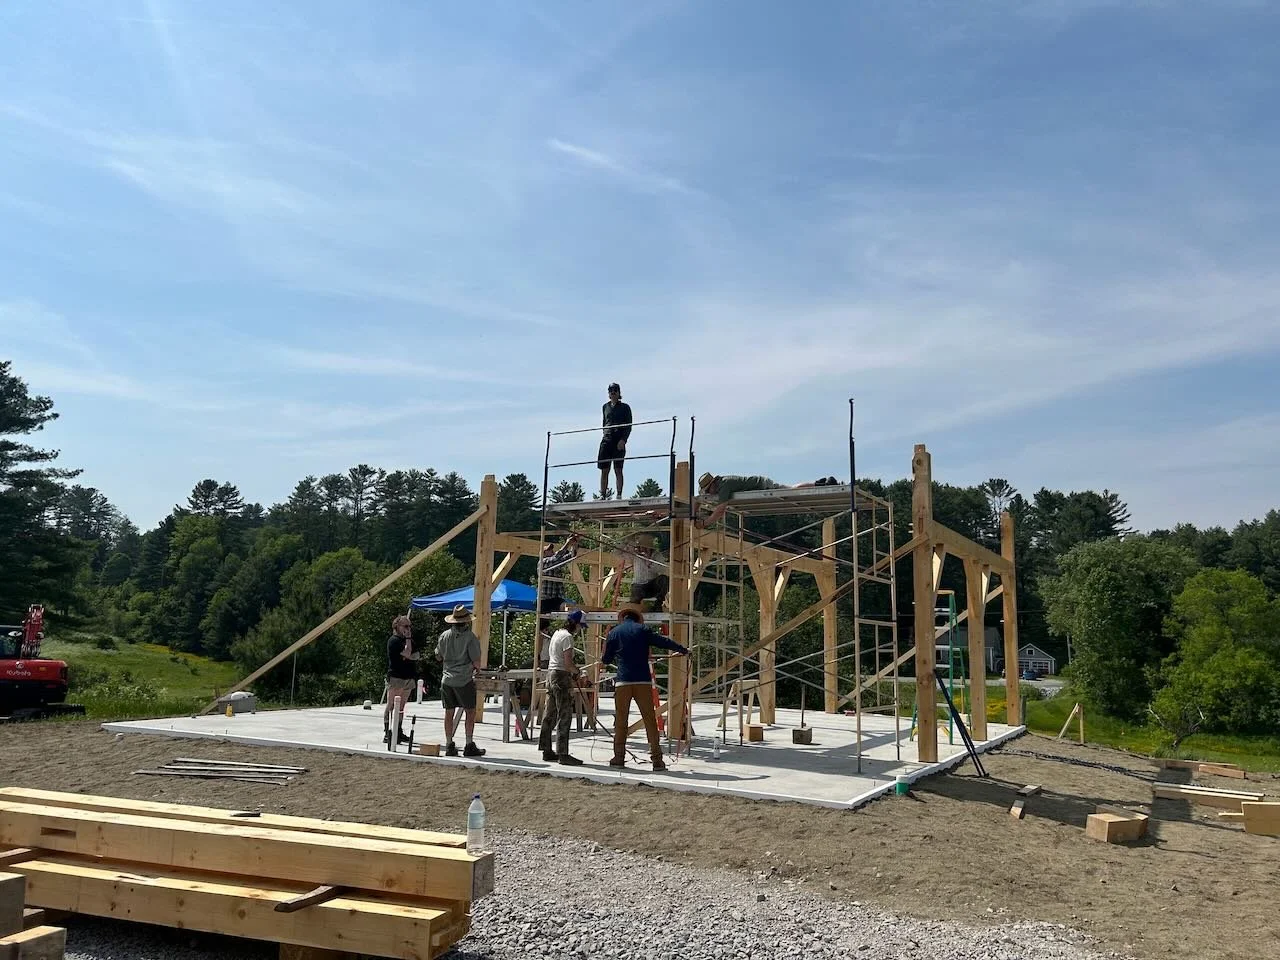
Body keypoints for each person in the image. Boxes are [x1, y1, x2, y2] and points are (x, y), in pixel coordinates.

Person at [602, 603, 689, 771]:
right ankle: (657, 760)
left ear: (623, 618)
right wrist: (682, 649)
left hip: (623, 682)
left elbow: (606, 659)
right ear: (638, 619)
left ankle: (619, 758)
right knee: (649, 720)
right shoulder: (643, 631)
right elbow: (663, 642)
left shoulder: (614, 633)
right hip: (643, 680)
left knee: (621, 720)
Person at [694, 472, 839, 528]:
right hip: (760, 484)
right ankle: (818, 483)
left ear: (712, 484)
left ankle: (821, 484)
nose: (709, 492)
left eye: (708, 490)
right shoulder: (723, 483)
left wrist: (705, 523)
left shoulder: (724, 485)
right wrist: (695, 510)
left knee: (791, 492)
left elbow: (720, 510)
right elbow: (700, 499)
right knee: (791, 490)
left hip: (763, 486)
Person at [435, 604, 486, 757]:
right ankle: (469, 743)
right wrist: (477, 668)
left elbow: (438, 656)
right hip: (464, 679)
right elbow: (477, 662)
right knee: (470, 711)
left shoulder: (444, 635)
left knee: (449, 712)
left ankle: (449, 743)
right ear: (467, 621)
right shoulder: (470, 638)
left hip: (447, 679)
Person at [539, 609, 586, 765]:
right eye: (580, 626)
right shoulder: (567, 637)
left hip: (551, 674)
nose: (580, 630)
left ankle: (546, 749)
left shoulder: (557, 633)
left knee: (550, 713)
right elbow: (567, 663)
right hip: (560, 676)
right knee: (564, 715)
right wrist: (577, 672)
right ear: (575, 624)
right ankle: (563, 753)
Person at [384, 614, 420, 745]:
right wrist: (407, 653)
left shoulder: (409, 641)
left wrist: (408, 652)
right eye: (405, 626)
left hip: (408, 677)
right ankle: (387, 731)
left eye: (410, 626)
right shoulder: (394, 641)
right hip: (396, 677)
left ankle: (398, 731)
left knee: (402, 707)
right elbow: (407, 653)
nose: (408, 629)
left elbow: (415, 655)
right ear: (397, 626)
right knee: (391, 705)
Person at [598, 383, 632, 499]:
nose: (613, 392)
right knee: (604, 469)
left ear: (619, 393)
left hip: (619, 440)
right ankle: (602, 494)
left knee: (618, 469)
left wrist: (623, 440)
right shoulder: (605, 407)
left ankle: (619, 494)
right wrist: (605, 433)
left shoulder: (625, 407)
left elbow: (628, 426)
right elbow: (604, 422)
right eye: (610, 390)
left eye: (615, 390)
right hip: (607, 440)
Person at [538, 532, 582, 619]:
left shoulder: (554, 562)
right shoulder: (543, 562)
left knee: (563, 612)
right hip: (546, 599)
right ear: (544, 553)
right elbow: (556, 557)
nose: (552, 551)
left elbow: (570, 556)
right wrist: (567, 543)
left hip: (555, 597)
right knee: (544, 623)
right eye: (549, 550)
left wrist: (575, 544)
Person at [624, 534, 668, 610]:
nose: (642, 549)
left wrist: (649, 562)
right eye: (641, 547)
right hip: (638, 585)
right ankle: (634, 609)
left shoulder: (657, 555)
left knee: (664, 579)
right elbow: (618, 554)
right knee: (635, 598)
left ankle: (658, 605)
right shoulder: (635, 555)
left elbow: (661, 569)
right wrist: (628, 542)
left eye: (645, 547)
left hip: (652, 585)